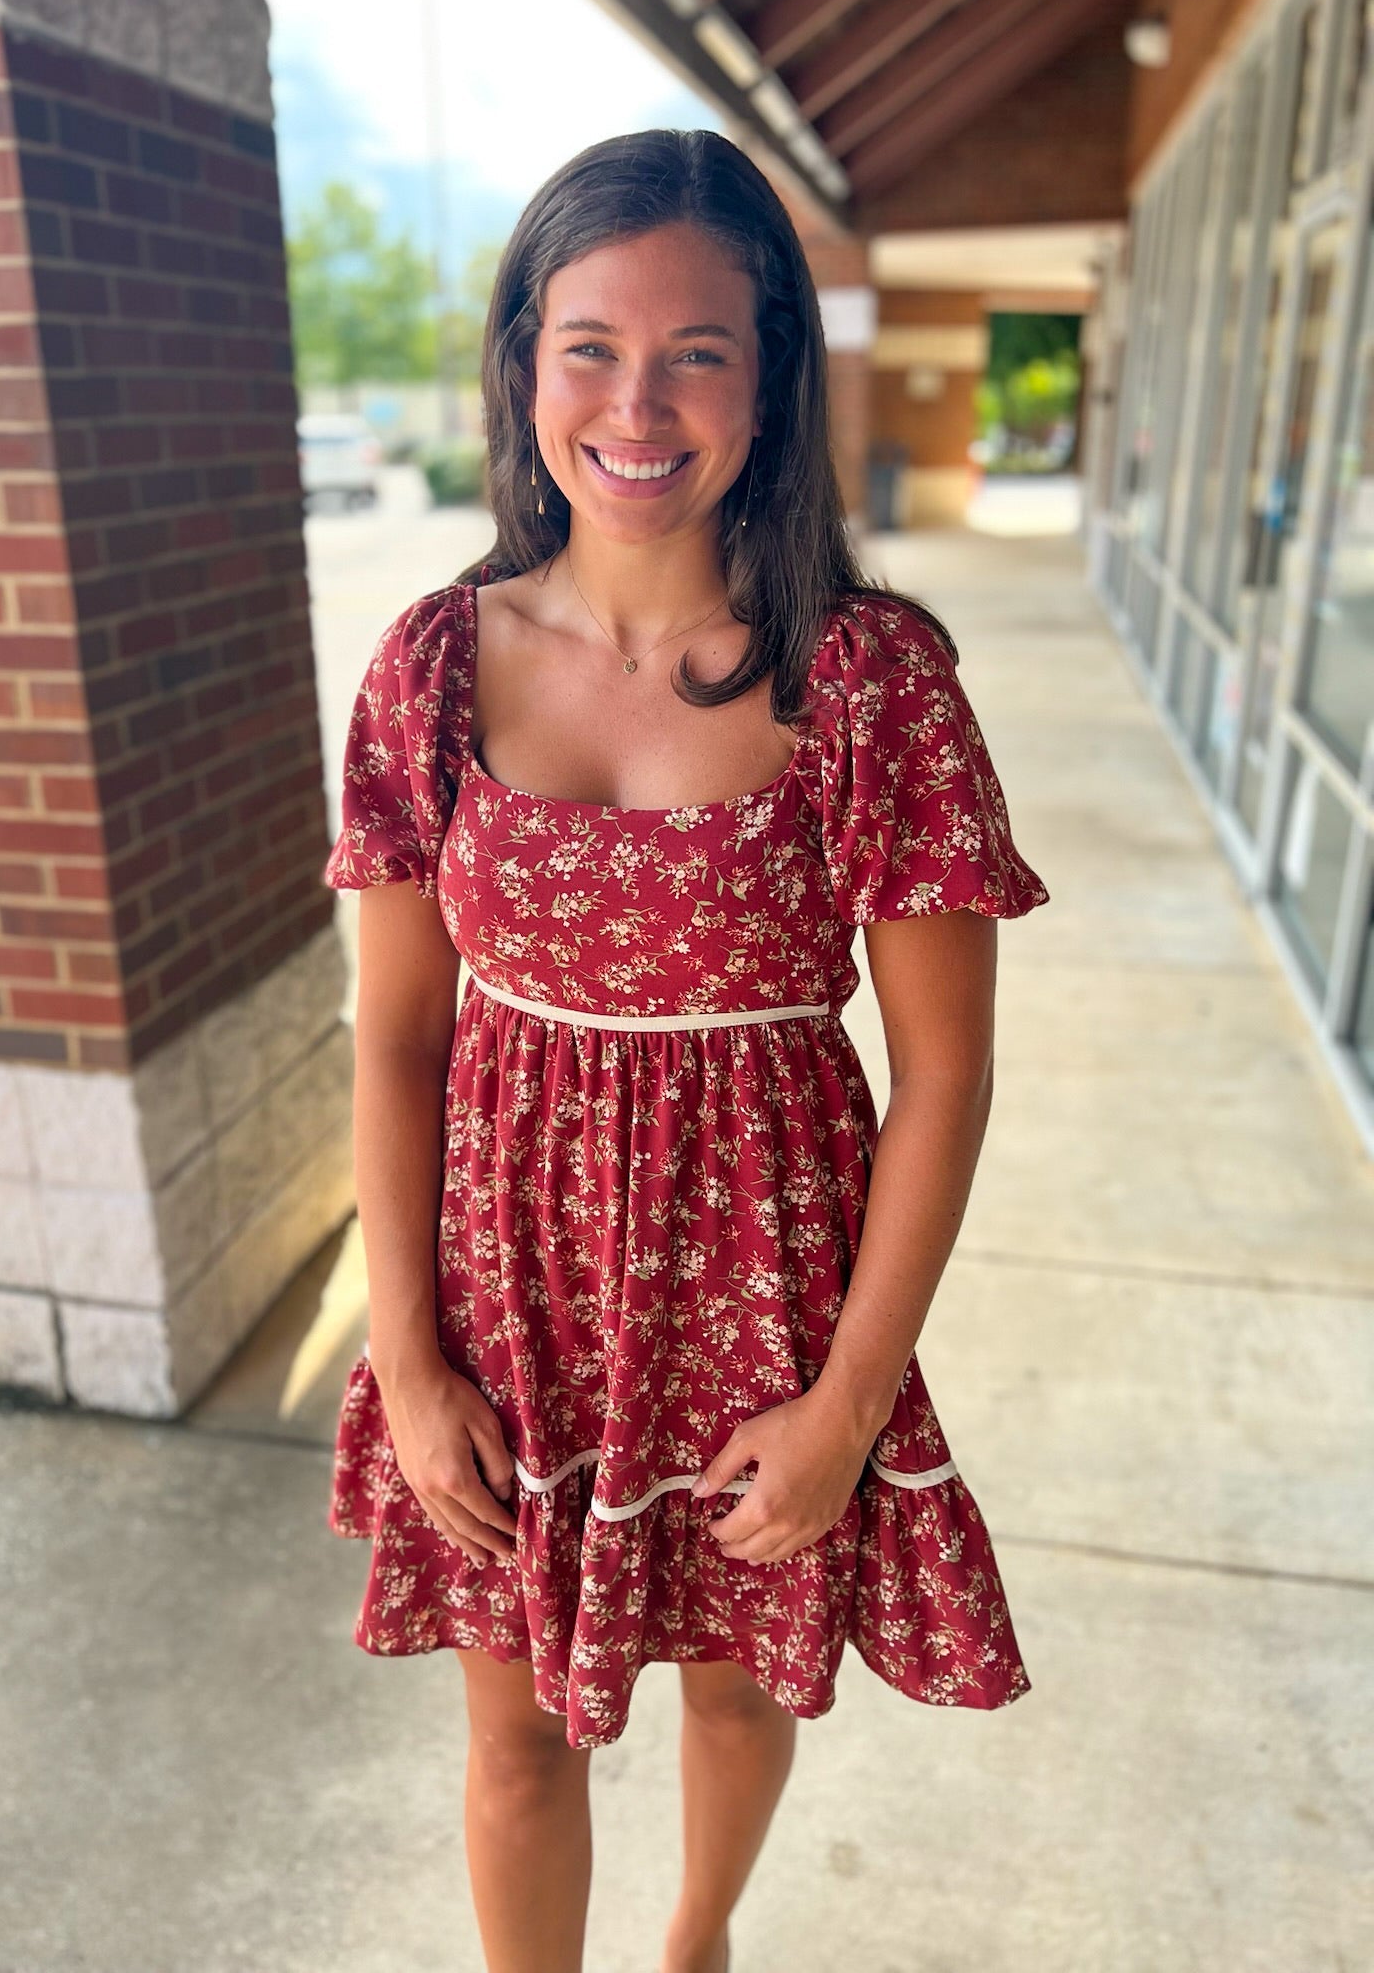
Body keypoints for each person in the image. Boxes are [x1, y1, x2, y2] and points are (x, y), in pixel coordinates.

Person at [322, 128, 1050, 1973]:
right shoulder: (427, 665)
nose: (636, 404)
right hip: (506, 1285)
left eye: (696, 353)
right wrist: (406, 1361)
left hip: (766, 1287)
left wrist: (853, 1399)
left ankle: (698, 1940)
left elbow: (945, 1073)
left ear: (769, 378)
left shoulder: (869, 677)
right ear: (525, 361)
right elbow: (399, 1041)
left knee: (738, 1698)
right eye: (591, 347)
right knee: (513, 1737)